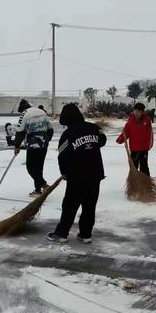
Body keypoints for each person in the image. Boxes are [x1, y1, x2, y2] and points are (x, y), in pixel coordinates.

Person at [48, 104, 107, 244]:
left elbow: (61, 155)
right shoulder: (94, 128)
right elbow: (103, 140)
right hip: (95, 174)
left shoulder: (68, 134)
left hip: (76, 176)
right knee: (89, 205)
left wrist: (64, 172)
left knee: (70, 205)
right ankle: (86, 234)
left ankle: (62, 233)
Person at [14, 99, 54, 197]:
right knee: (39, 167)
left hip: (33, 144)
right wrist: (47, 140)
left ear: (22, 109)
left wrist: (16, 146)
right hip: (44, 143)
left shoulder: (24, 114)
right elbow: (50, 129)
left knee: (30, 167)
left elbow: (20, 132)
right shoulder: (41, 112)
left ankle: (43, 184)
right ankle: (38, 189)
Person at [117, 102, 154, 176]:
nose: (136, 113)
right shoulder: (130, 122)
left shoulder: (147, 121)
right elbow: (125, 132)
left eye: (139, 111)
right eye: (135, 111)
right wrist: (120, 139)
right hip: (134, 149)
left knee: (144, 167)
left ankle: (146, 184)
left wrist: (149, 146)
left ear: (142, 112)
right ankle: (134, 184)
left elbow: (150, 134)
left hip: (144, 149)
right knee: (134, 167)